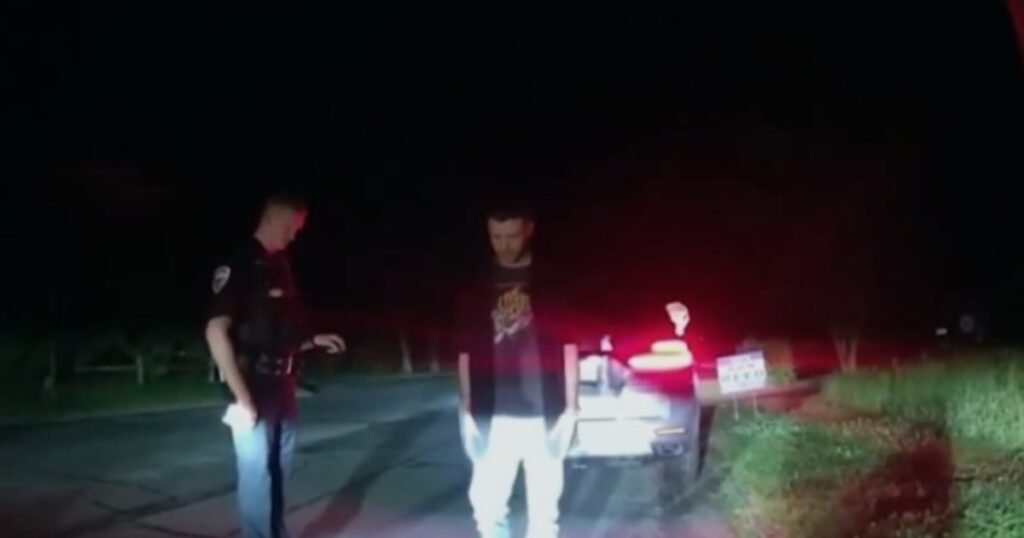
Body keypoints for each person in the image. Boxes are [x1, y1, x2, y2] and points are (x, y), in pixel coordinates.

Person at [205, 193, 346, 538]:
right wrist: (242, 398)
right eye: (290, 227)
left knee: (279, 474)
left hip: (284, 383)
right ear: (270, 219)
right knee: (258, 478)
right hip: (252, 383)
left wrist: (312, 340)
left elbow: (279, 329)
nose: (294, 235)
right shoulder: (239, 264)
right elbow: (215, 331)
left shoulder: (280, 266)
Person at [455, 205, 581, 538]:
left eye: (511, 236)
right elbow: (464, 351)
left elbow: (569, 345)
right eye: (496, 237)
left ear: (528, 229)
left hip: (545, 412)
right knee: (487, 507)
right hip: (493, 414)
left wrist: (572, 406)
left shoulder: (550, 280)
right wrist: (466, 408)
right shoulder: (477, 285)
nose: (504, 245)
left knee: (544, 513)